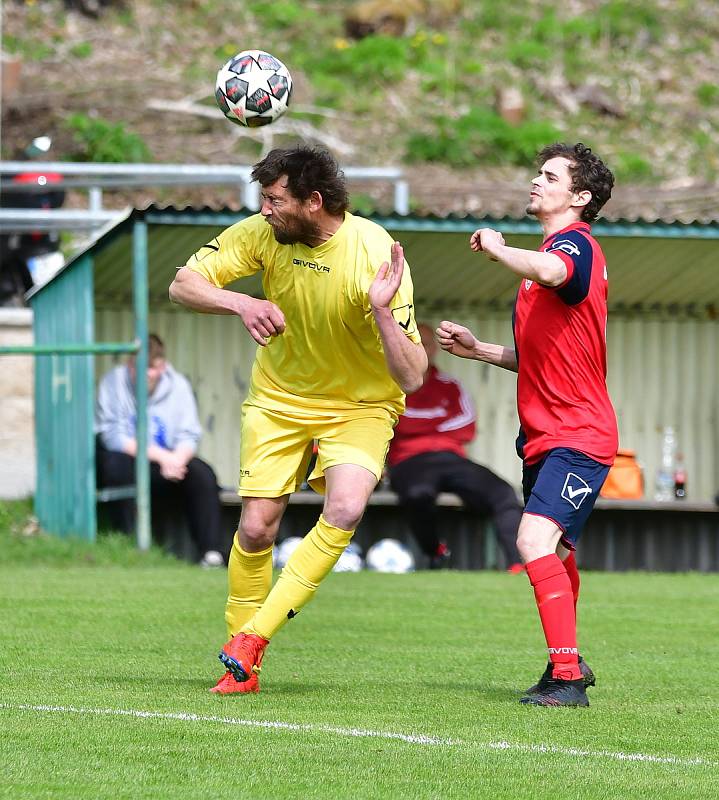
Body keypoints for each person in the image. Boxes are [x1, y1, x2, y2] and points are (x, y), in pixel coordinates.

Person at [169, 145, 426, 694]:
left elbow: (412, 376)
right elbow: (182, 283)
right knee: (258, 528)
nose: (264, 209)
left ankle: (252, 638)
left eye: (274, 199)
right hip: (279, 398)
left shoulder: (374, 251)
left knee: (347, 505)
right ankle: (241, 673)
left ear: (313, 202)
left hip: (359, 404)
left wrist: (382, 310)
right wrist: (240, 303)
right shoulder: (265, 233)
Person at [437, 142, 617, 707]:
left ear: (580, 197)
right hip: (544, 438)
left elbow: (551, 267)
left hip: (579, 435)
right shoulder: (544, 264)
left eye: (550, 176)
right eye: (537, 173)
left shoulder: (573, 247)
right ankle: (567, 662)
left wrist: (497, 248)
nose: (536, 182)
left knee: (531, 539)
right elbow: (534, 355)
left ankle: (566, 679)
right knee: (558, 554)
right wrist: (479, 351)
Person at [387, 322, 523, 572]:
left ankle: (517, 565)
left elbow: (466, 426)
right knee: (418, 495)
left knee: (503, 492)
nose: (420, 349)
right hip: (409, 461)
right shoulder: (388, 384)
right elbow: (391, 421)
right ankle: (436, 552)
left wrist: (411, 423)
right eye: (413, 343)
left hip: (451, 458)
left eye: (425, 344)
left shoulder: (450, 385)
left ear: (433, 350)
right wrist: (437, 420)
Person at [95, 333, 225, 567]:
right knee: (114, 465)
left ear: (162, 366)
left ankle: (211, 554)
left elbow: (189, 435)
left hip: (169, 465)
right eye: (139, 368)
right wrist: (164, 457)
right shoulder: (113, 382)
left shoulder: (178, 386)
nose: (146, 375)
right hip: (131, 460)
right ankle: (128, 546)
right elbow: (113, 437)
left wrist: (176, 460)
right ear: (130, 365)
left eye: (151, 368)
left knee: (203, 474)